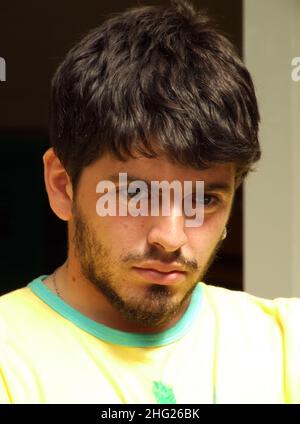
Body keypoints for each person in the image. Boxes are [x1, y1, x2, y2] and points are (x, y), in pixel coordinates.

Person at [0, 0, 299, 404]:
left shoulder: (286, 344)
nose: (170, 237)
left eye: (205, 199)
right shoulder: (9, 355)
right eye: (135, 193)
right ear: (61, 185)